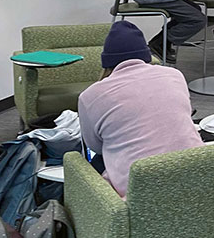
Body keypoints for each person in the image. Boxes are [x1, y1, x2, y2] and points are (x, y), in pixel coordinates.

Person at [77, 21, 204, 197]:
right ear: (146, 55)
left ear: (106, 62)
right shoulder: (175, 75)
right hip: (198, 179)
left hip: (140, 195)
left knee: (95, 162)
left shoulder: (91, 96)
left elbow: (95, 146)